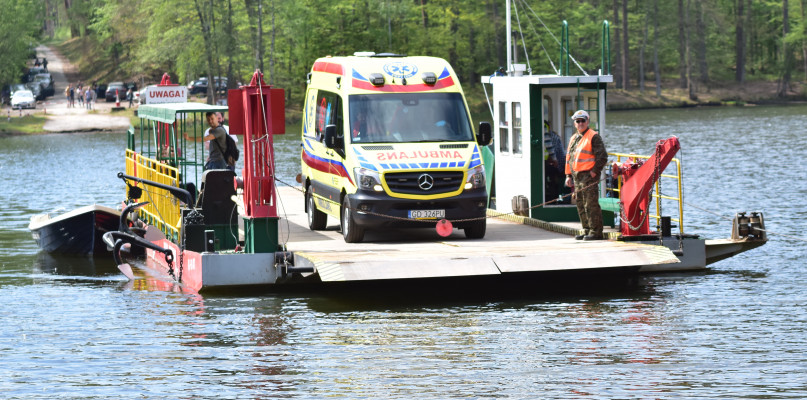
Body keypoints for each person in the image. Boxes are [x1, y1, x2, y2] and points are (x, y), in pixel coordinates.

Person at [564, 110, 608, 240]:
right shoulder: (574, 138)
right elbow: (569, 158)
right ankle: (587, 229)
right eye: (578, 121)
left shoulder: (593, 136)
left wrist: (594, 171)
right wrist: (568, 176)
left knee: (591, 204)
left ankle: (596, 232)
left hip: (589, 177)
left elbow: (602, 157)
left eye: (583, 120)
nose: (581, 123)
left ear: (587, 121)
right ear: (575, 123)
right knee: (581, 204)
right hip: (577, 178)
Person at [543, 120, 566, 203]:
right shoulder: (555, 135)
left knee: (553, 177)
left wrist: (554, 160)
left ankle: (552, 198)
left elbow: (550, 147)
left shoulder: (551, 136)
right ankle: (554, 197)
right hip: (556, 163)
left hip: (554, 163)